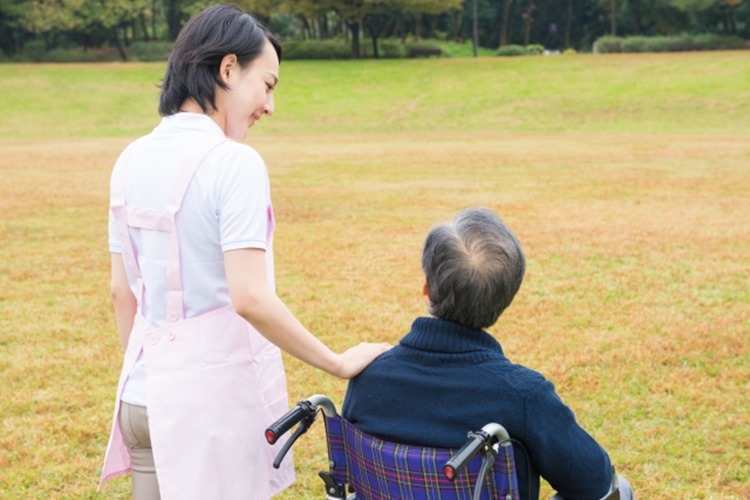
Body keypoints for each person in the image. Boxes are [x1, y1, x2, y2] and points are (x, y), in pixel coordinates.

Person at [99, 4, 389, 499]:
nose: (270, 106)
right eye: (268, 84)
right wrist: (337, 363)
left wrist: (155, 380)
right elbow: (250, 297)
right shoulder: (234, 164)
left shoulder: (130, 158)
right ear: (228, 69)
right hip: (207, 409)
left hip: (141, 400)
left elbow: (120, 292)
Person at [342, 207, 633, 499]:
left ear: (427, 288)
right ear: (507, 297)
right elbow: (595, 482)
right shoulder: (523, 394)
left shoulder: (368, 377)